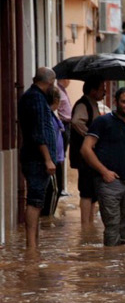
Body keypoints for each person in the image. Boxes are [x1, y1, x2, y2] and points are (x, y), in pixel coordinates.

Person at [80, 87, 125, 246]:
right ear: (116, 102)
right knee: (112, 225)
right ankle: (110, 264)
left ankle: (120, 265)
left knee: (124, 229)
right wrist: (104, 172)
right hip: (108, 183)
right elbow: (86, 148)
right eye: (124, 102)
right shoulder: (103, 122)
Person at [17, 67, 57, 248]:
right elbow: (38, 132)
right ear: (49, 82)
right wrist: (48, 159)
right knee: (35, 200)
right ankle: (31, 246)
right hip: (37, 159)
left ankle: (34, 243)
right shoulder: (36, 99)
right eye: (53, 82)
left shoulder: (33, 97)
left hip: (34, 158)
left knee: (38, 200)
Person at [70, 76, 105, 225]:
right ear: (93, 90)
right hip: (84, 156)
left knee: (92, 191)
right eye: (102, 89)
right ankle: (85, 225)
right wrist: (90, 136)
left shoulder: (93, 104)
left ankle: (90, 224)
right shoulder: (83, 105)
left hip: (91, 156)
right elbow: (76, 121)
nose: (104, 92)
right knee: (86, 191)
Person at [41, 87, 66, 216]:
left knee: (55, 190)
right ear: (56, 100)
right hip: (53, 159)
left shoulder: (51, 116)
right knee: (53, 191)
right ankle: (47, 220)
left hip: (56, 158)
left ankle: (48, 219)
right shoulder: (48, 117)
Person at [56, 79, 72, 196]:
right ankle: (59, 188)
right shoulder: (58, 91)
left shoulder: (63, 91)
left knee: (63, 155)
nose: (69, 82)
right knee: (60, 156)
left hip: (67, 125)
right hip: (63, 125)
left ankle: (61, 187)